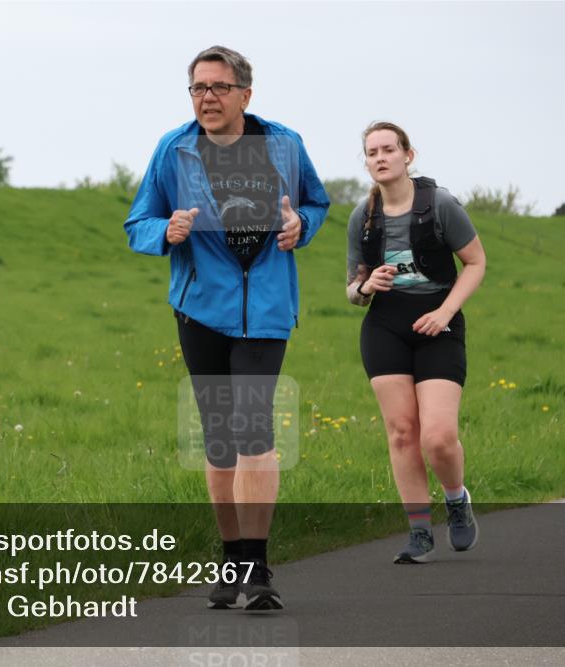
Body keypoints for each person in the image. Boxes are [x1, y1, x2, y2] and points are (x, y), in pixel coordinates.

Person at [124, 46, 329, 609]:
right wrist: (166, 230)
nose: (206, 98)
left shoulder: (284, 145)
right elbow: (137, 220)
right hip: (200, 311)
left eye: (217, 87)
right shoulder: (174, 149)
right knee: (219, 444)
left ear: (245, 94)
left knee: (254, 430)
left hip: (265, 311)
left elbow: (316, 202)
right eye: (197, 88)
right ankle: (231, 559)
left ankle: (258, 569)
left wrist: (299, 226)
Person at [346, 121, 486, 563]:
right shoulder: (362, 217)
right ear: (366, 162)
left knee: (439, 437)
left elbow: (476, 263)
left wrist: (446, 311)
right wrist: (368, 287)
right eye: (372, 152)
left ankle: (457, 498)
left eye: (389, 149)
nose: (381, 158)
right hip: (385, 326)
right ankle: (419, 532)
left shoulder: (440, 204)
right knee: (402, 432)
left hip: (437, 325)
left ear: (409, 155)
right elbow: (352, 290)